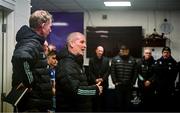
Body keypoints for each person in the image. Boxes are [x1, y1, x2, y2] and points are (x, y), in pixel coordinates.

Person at [11, 10, 53, 112]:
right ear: (43, 26)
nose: (50, 30)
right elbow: (20, 58)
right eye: (49, 26)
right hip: (32, 104)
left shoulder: (35, 42)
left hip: (37, 103)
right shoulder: (31, 42)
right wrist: (29, 82)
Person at [56, 32, 103, 112]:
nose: (85, 46)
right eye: (82, 42)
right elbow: (76, 91)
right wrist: (95, 89)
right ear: (71, 43)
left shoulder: (75, 62)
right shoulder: (67, 64)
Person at [111, 45, 137, 112]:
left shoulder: (133, 60)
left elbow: (135, 73)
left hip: (129, 85)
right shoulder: (115, 59)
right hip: (119, 85)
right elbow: (112, 72)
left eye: (125, 50)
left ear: (128, 51)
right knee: (119, 103)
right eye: (122, 50)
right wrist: (115, 82)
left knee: (128, 103)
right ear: (120, 51)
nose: (123, 52)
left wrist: (133, 83)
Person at [153, 46, 178, 111]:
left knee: (168, 104)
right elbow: (156, 74)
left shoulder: (174, 62)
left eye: (167, 52)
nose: (166, 54)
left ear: (170, 53)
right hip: (159, 87)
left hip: (169, 87)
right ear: (162, 53)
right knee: (159, 104)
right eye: (164, 52)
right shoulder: (158, 61)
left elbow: (174, 75)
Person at [88, 46, 110, 111]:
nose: (100, 52)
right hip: (94, 84)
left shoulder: (106, 60)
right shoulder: (91, 60)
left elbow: (108, 71)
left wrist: (102, 79)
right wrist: (95, 80)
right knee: (94, 102)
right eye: (99, 50)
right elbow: (90, 71)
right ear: (96, 51)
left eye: (102, 51)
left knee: (104, 102)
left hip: (104, 84)